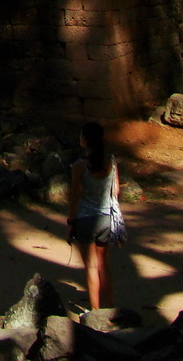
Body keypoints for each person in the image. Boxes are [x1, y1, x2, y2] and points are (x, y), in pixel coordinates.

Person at [66, 121, 120, 310]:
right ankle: (110, 308)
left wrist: (71, 221)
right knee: (104, 265)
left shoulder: (79, 166)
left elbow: (75, 196)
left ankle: (95, 311)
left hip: (86, 219)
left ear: (85, 140)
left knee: (91, 266)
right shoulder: (111, 162)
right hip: (106, 218)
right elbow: (116, 191)